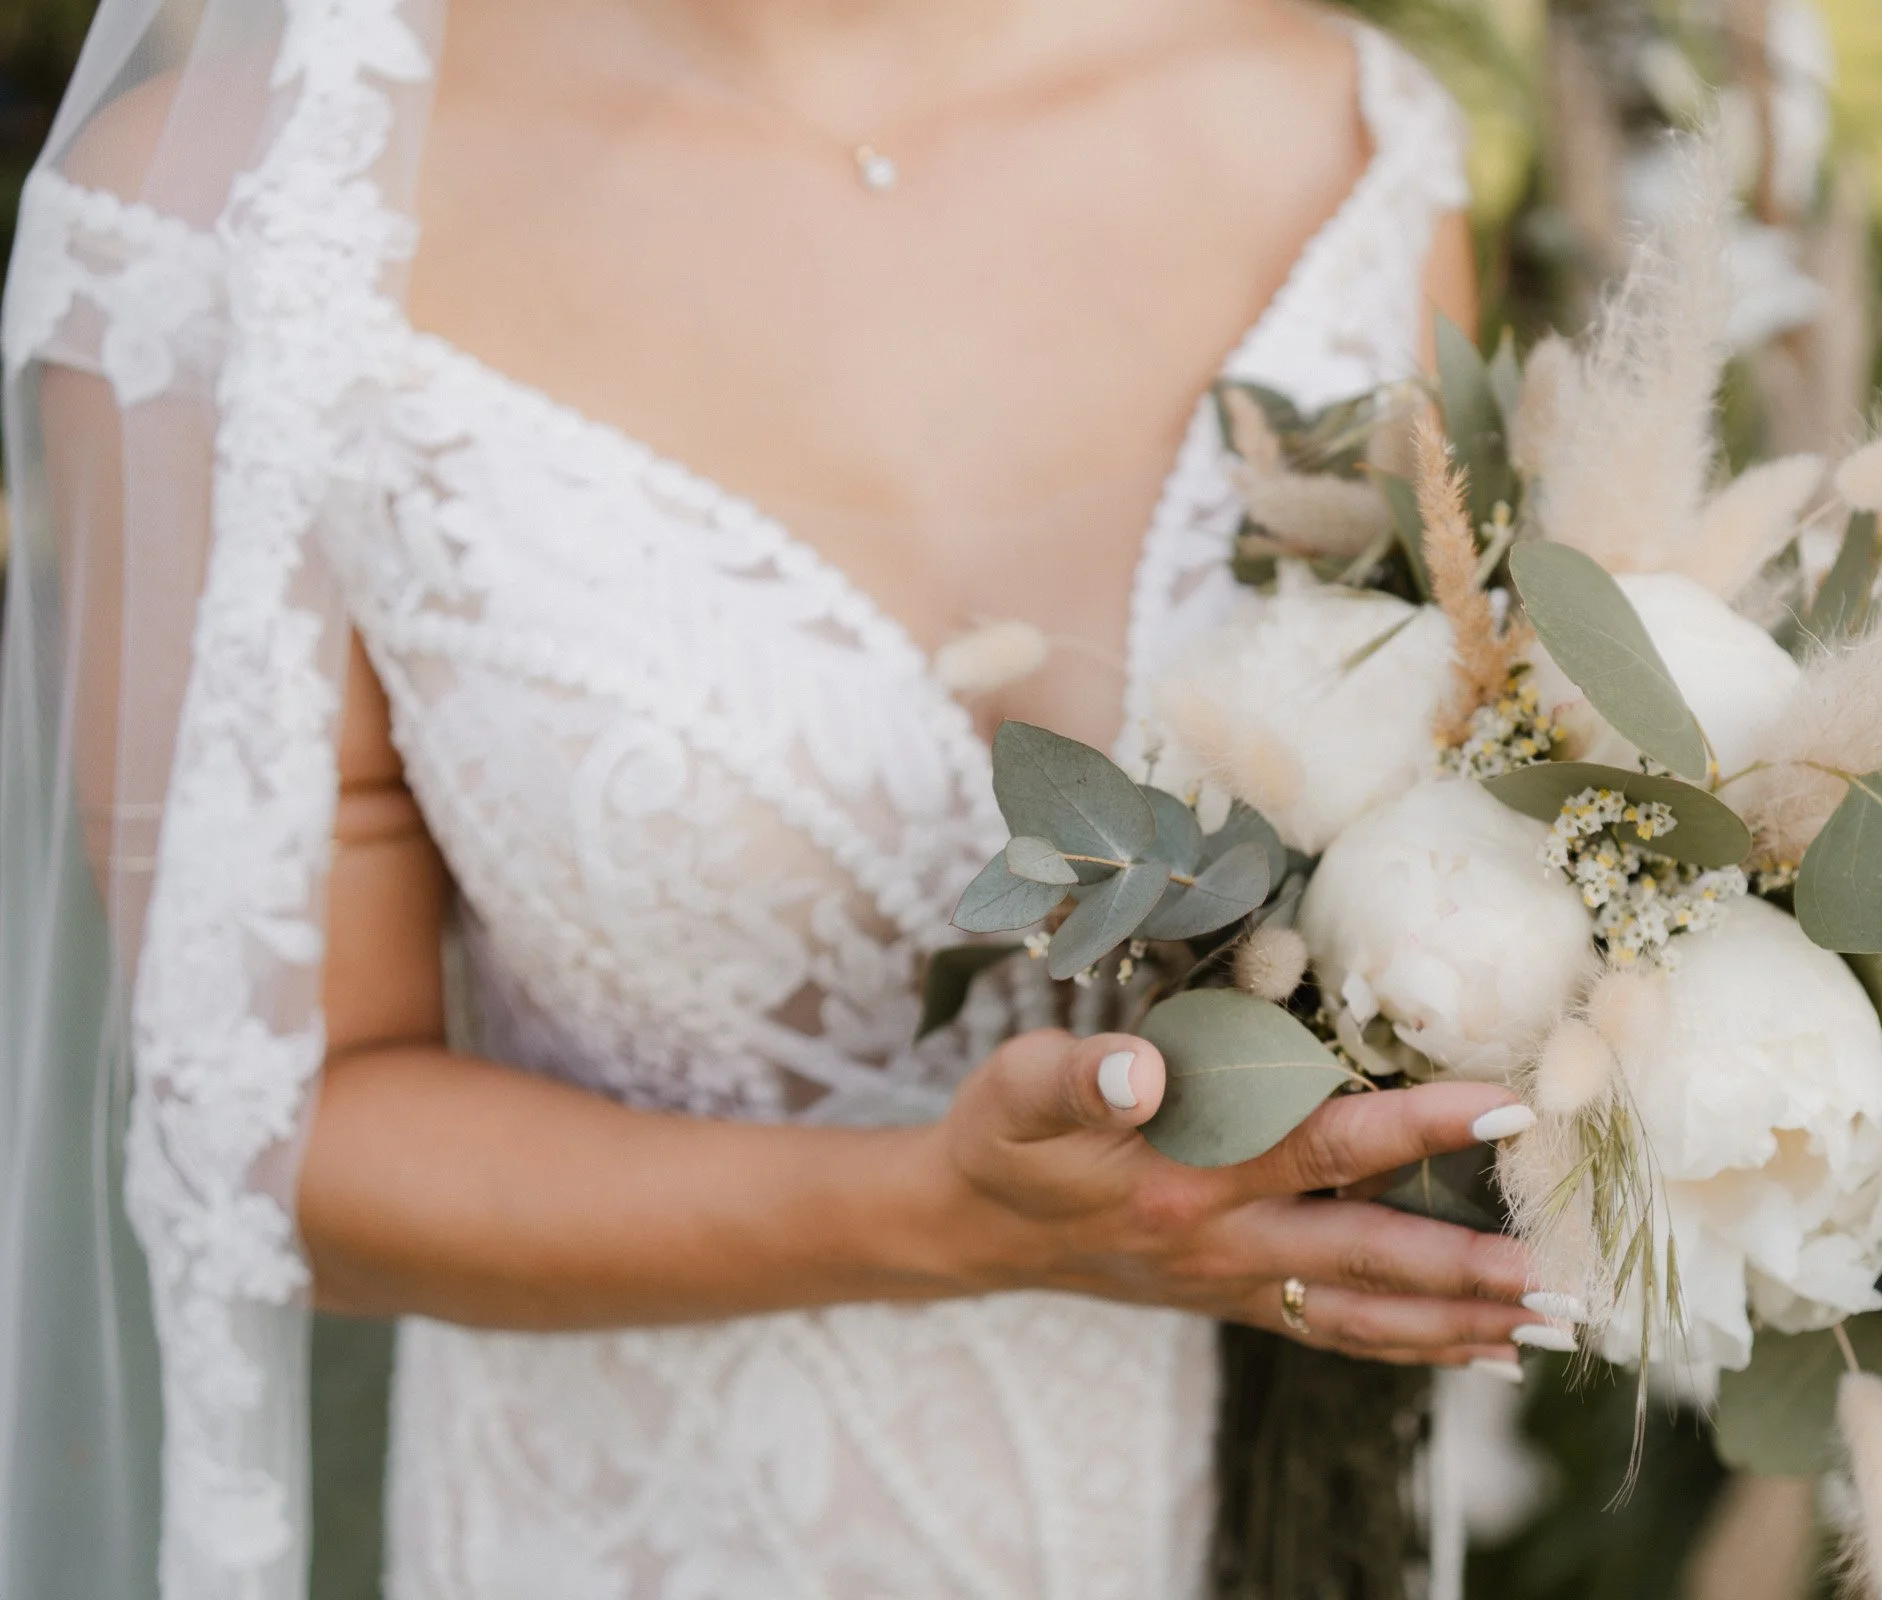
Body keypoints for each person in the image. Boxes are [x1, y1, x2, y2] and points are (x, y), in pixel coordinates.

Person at [0, 0, 1558, 1592]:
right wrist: (941, 1216)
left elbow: (1487, 800)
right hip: (657, 1534)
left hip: (1276, 1520)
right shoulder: (226, 227)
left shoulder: (1340, 139)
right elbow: (276, 1131)